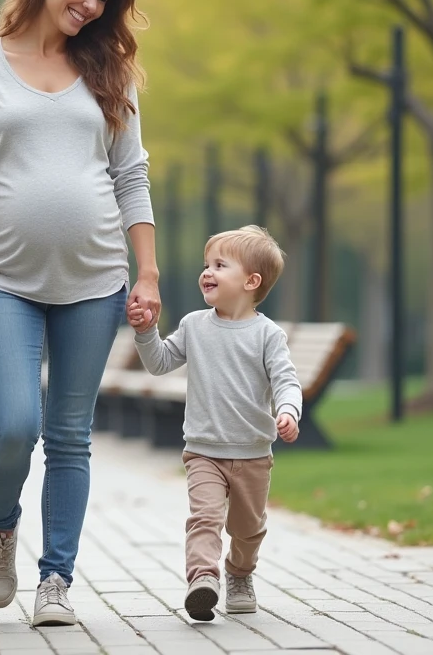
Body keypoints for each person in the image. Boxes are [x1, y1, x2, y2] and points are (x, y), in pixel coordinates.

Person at [0, 0, 160, 627]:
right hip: (4, 279)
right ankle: (1, 528)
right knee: (14, 426)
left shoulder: (110, 74)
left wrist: (149, 272)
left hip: (96, 281)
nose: (94, 6)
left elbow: (131, 176)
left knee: (69, 435)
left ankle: (57, 580)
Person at [127, 225, 301, 622]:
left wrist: (289, 410)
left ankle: (239, 574)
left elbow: (286, 381)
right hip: (204, 450)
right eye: (206, 264)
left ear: (251, 281)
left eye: (220, 265)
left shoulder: (267, 335)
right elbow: (159, 363)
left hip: (253, 453)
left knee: (248, 529)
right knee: (204, 519)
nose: (207, 272)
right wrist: (145, 331)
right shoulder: (194, 325)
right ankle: (203, 580)